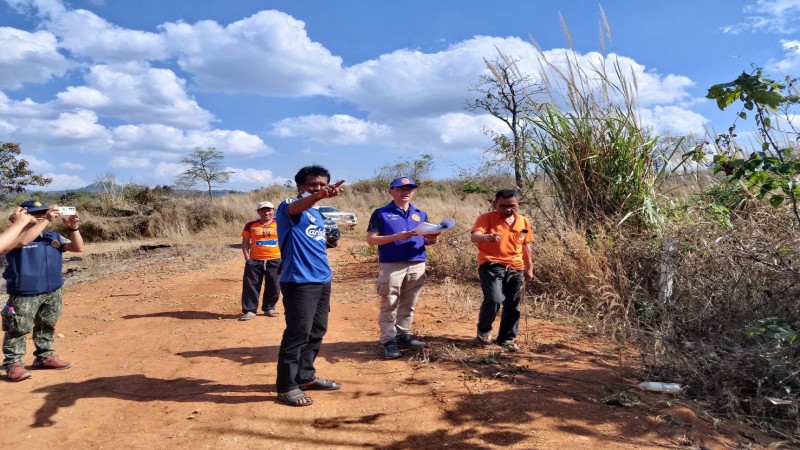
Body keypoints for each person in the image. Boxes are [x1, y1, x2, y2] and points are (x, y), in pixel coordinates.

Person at [274, 165, 345, 406]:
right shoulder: (287, 207)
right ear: (300, 186)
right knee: (297, 334)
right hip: (298, 281)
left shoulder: (316, 213)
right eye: (312, 185)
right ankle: (286, 386)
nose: (318, 188)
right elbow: (295, 208)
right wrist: (317, 196)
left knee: (316, 332)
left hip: (322, 279)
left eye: (322, 184)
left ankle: (304, 376)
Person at [2, 200, 84, 382]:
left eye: (43, 212)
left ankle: (44, 356)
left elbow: (78, 248)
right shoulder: (16, 235)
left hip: (52, 290)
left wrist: (74, 228)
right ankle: (13, 363)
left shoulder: (51, 236)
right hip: (24, 293)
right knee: (17, 329)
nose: (40, 215)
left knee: (46, 325)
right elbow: (23, 242)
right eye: (35, 213)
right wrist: (45, 220)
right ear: (23, 215)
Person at [366, 177, 439, 359]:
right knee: (389, 303)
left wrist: (434, 239)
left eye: (409, 189)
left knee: (409, 302)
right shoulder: (381, 213)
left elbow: (426, 240)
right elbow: (371, 239)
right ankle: (389, 340)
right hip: (392, 264)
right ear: (391, 191)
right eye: (401, 189)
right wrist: (397, 237)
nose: (405, 192)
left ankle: (403, 335)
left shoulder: (420, 214)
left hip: (417, 263)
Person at [470, 190, 533, 353]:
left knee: (513, 303)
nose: (507, 209)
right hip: (491, 264)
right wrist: (485, 237)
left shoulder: (523, 222)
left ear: (518, 204)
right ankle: (483, 330)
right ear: (494, 204)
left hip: (516, 267)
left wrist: (529, 267)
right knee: (494, 299)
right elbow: (475, 236)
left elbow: (525, 245)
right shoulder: (485, 218)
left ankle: (506, 338)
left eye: (511, 206)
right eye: (502, 206)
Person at [239, 201, 281, 321]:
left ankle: (269, 308)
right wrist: (248, 259)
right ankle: (249, 310)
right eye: (263, 210)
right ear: (258, 212)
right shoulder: (251, 225)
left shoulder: (280, 224)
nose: (266, 213)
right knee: (250, 286)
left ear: (273, 211)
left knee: (274, 285)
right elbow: (245, 243)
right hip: (255, 261)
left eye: (269, 210)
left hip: (275, 260)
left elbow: (286, 241)